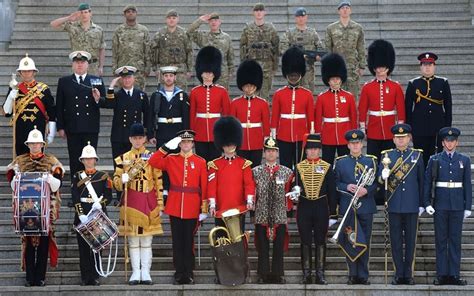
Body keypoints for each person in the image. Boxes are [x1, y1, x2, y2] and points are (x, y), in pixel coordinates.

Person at [148, 130, 208, 285]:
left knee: (189, 241)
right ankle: (179, 272)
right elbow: (153, 161)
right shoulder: (171, 159)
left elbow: (205, 187)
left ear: (193, 144)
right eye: (183, 142)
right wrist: (166, 147)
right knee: (177, 241)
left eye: (189, 142)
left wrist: (204, 208)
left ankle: (188, 272)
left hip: (193, 205)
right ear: (180, 144)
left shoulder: (200, 161)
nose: (186, 144)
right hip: (175, 205)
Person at [6, 127, 63, 287]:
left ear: (42, 144)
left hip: (46, 210)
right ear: (28, 144)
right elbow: (11, 183)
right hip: (26, 210)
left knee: (44, 243)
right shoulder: (20, 161)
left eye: (37, 143)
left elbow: (58, 184)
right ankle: (30, 277)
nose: (35, 146)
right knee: (29, 244)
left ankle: (41, 277)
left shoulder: (51, 161)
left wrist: (49, 179)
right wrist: (16, 179)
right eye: (32, 143)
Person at [113, 123, 164, 285]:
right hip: (131, 201)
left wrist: (160, 204)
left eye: (140, 138)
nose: (137, 141)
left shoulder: (152, 157)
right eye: (134, 138)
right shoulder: (123, 158)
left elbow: (159, 182)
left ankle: (146, 272)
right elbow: (116, 183)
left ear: (145, 139)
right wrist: (122, 179)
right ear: (130, 139)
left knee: (147, 240)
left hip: (148, 200)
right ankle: (135, 272)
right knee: (133, 240)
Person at [423, 127, 471, 286]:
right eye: (447, 141)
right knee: (441, 240)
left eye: (452, 141)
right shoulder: (434, 159)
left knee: (455, 241)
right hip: (441, 205)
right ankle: (442, 274)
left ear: (456, 142)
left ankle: (454, 275)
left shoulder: (464, 160)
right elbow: (427, 183)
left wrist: (468, 206)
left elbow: (467, 185)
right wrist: (427, 203)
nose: (450, 144)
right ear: (443, 142)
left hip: (457, 205)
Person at [379, 123, 424, 285]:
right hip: (394, 205)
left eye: (403, 137)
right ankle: (399, 273)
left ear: (409, 138)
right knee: (396, 241)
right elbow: (379, 180)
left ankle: (409, 274)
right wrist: (383, 175)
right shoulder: (386, 156)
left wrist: (422, 203)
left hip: (412, 205)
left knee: (411, 241)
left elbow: (422, 182)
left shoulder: (416, 155)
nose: (400, 140)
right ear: (393, 139)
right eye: (398, 138)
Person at [333, 129, 377, 285]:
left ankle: (363, 275)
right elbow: (335, 184)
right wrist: (347, 187)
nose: (355, 145)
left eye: (358, 142)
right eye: (352, 143)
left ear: (362, 144)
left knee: (365, 241)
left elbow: (376, 183)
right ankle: (352, 274)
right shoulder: (341, 162)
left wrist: (367, 190)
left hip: (366, 207)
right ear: (348, 145)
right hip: (348, 207)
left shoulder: (371, 161)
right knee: (350, 240)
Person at [293, 133, 337, 284]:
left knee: (320, 240)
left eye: (315, 149)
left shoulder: (327, 167)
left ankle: (320, 273)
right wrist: (295, 191)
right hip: (304, 206)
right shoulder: (299, 167)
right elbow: (294, 187)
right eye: (310, 149)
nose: (312, 151)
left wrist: (333, 213)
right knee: (305, 240)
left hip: (321, 207)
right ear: (305, 151)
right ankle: (306, 273)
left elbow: (332, 191)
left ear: (319, 151)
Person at [55, 51, 106, 176]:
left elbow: (105, 103)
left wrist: (98, 99)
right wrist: (60, 127)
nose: (79, 65)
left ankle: (90, 187)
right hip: (73, 127)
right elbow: (60, 106)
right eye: (77, 62)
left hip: (90, 127)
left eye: (82, 62)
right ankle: (76, 188)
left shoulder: (96, 81)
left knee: (90, 159)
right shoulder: (64, 81)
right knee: (75, 159)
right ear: (72, 65)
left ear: (87, 65)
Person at [252, 137, 293, 284]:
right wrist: (252, 213)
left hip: (279, 214)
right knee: (262, 247)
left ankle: (277, 274)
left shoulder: (287, 172)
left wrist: (289, 213)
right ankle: (262, 274)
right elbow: (252, 194)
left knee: (278, 246)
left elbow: (289, 195)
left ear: (277, 153)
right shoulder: (255, 172)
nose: (270, 154)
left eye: (273, 151)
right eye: (268, 151)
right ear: (264, 153)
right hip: (261, 213)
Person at [72, 143, 112, 286]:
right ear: (82, 161)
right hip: (82, 214)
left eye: (91, 158)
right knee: (83, 249)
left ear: (95, 160)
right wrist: (81, 214)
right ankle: (85, 277)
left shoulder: (103, 176)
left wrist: (101, 204)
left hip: (98, 214)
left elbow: (109, 196)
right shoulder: (77, 176)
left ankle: (95, 276)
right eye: (86, 159)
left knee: (97, 247)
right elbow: (75, 197)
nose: (89, 161)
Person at [359, 39, 405, 158]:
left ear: (388, 67)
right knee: (373, 160)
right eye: (378, 67)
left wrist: (400, 126)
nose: (380, 70)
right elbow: (362, 109)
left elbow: (400, 108)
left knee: (391, 161)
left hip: (390, 129)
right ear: (373, 68)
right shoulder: (367, 87)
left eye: (382, 67)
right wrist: (363, 128)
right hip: (373, 129)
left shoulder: (395, 86)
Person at [207, 116, 256, 230]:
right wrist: (212, 204)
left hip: (239, 208)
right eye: (227, 145)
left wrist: (249, 200)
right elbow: (211, 187)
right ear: (221, 145)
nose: (230, 147)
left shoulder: (244, 164)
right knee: (221, 242)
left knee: (238, 243)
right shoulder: (214, 165)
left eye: (232, 144)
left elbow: (249, 184)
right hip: (221, 209)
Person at [2, 54, 56, 156]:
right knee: (21, 160)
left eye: (29, 71)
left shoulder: (43, 89)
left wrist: (51, 133)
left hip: (38, 129)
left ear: (34, 72)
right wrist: (10, 97)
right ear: (20, 73)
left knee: (37, 160)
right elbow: (7, 113)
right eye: (24, 71)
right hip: (20, 129)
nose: (26, 73)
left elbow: (52, 112)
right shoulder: (15, 87)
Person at [405, 52, 452, 167]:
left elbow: (448, 106)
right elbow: (408, 108)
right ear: (420, 67)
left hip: (438, 127)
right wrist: (409, 129)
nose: (427, 67)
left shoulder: (443, 82)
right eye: (425, 64)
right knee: (420, 159)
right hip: (419, 128)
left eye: (430, 64)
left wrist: (447, 128)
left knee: (438, 159)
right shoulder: (413, 83)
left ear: (434, 66)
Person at [271, 47, 314, 170]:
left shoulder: (307, 94)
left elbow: (311, 117)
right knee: (285, 167)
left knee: (301, 166)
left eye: (296, 75)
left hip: (302, 135)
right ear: (286, 75)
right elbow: (274, 116)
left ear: (300, 75)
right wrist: (273, 135)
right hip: (283, 135)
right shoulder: (279, 94)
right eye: (291, 75)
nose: (293, 78)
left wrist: (311, 135)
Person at [190, 46, 231, 162]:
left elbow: (227, 115)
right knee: (201, 162)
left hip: (216, 132)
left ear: (215, 74)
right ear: (200, 73)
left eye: (211, 73)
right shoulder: (194, 91)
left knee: (216, 163)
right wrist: (192, 134)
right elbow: (192, 114)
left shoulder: (222, 91)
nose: (208, 75)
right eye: (205, 72)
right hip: (200, 132)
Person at [315, 53, 357, 165]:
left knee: (346, 163)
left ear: (341, 80)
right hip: (328, 135)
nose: (335, 81)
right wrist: (318, 134)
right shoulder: (321, 97)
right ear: (328, 80)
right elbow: (318, 118)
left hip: (345, 134)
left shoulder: (349, 96)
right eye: (332, 79)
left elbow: (353, 116)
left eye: (337, 78)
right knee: (326, 163)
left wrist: (353, 134)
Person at [104, 66, 151, 160]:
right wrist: (111, 87)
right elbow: (109, 104)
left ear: (134, 79)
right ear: (121, 80)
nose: (127, 80)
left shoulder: (141, 95)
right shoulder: (117, 95)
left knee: (135, 165)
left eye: (129, 77)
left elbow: (147, 115)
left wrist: (147, 134)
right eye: (124, 78)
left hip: (135, 136)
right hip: (119, 135)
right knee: (119, 165)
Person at [231, 60, 270, 167]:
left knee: (256, 168)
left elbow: (266, 125)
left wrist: (267, 141)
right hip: (241, 142)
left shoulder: (263, 103)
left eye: (252, 86)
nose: (249, 88)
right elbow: (233, 126)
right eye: (246, 86)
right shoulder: (235, 103)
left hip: (256, 141)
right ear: (242, 86)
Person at [325, 1, 366, 101]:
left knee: (352, 97)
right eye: (342, 8)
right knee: (336, 97)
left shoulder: (358, 28)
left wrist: (362, 66)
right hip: (336, 67)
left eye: (347, 8)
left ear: (350, 11)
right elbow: (328, 49)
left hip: (353, 68)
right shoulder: (331, 28)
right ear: (339, 11)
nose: (345, 10)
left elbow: (361, 47)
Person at [50, 3, 105, 76]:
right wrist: (69, 18)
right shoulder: (72, 26)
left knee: (93, 87)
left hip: (93, 66)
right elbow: (53, 24)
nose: (84, 15)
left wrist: (101, 67)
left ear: (90, 13)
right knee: (77, 86)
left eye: (86, 12)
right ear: (78, 14)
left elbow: (102, 49)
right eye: (81, 12)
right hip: (78, 65)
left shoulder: (98, 30)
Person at [240, 3, 279, 101]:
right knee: (251, 94)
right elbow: (242, 48)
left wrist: (275, 67)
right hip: (252, 66)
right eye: (256, 11)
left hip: (267, 67)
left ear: (265, 12)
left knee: (265, 95)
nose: (259, 13)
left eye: (261, 10)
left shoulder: (271, 28)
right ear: (253, 13)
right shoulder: (247, 29)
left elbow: (276, 48)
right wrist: (244, 66)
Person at [280, 7, 324, 93]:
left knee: (308, 94)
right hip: (293, 71)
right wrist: (296, 56)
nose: (301, 18)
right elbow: (283, 49)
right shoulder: (289, 33)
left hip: (309, 70)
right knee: (293, 93)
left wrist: (317, 57)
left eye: (303, 16)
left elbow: (320, 48)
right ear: (295, 18)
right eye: (299, 16)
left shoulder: (312, 33)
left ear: (306, 17)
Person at [187, 13, 234, 89]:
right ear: (208, 22)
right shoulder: (203, 36)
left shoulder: (226, 37)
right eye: (211, 21)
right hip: (207, 74)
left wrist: (231, 71)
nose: (213, 22)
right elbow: (189, 32)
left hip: (223, 75)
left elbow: (230, 56)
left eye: (215, 20)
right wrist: (200, 21)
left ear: (219, 22)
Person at [150, 9, 193, 91]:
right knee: (165, 94)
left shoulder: (184, 33)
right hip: (164, 69)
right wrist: (155, 68)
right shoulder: (160, 34)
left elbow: (189, 51)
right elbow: (153, 51)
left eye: (174, 18)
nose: (171, 20)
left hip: (180, 69)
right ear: (166, 20)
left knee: (181, 95)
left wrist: (189, 70)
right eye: (169, 18)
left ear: (178, 19)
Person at [149, 66, 190, 149]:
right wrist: (150, 135)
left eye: (171, 76)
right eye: (166, 76)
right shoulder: (156, 95)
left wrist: (186, 134)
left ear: (175, 77)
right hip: (161, 132)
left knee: (177, 160)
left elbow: (186, 116)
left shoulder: (182, 95)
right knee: (162, 159)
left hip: (178, 133)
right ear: (163, 78)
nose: (168, 78)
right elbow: (151, 116)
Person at [111, 4, 151, 90]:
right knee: (123, 95)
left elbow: (147, 50)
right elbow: (115, 50)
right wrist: (114, 67)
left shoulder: (143, 30)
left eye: (133, 11)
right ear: (124, 14)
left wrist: (148, 68)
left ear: (136, 14)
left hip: (139, 70)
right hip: (123, 68)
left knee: (139, 96)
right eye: (128, 12)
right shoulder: (119, 30)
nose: (130, 13)